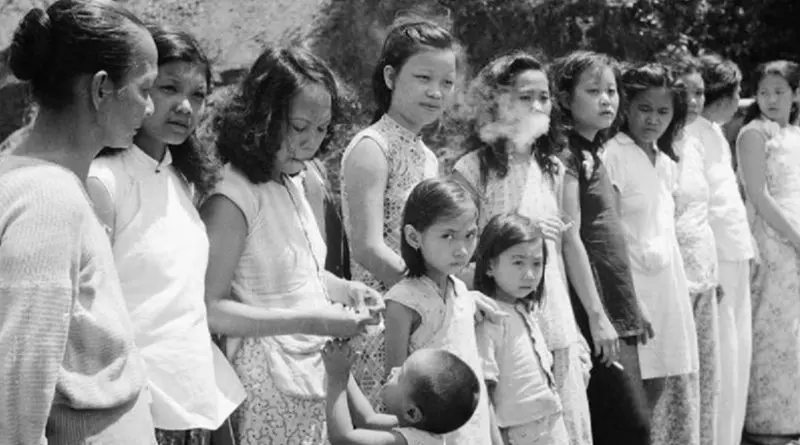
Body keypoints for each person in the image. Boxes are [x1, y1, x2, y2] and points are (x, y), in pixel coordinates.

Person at [201, 46, 383, 445]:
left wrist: (347, 291)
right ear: (263, 117)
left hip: (312, 374)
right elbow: (212, 310)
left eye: (321, 129)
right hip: (265, 383)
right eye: (299, 127)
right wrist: (313, 321)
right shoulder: (233, 196)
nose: (311, 142)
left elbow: (301, 275)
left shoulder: (297, 180)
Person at [0, 0, 159, 443]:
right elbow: (18, 384)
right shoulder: (49, 201)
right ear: (102, 89)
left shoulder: (27, 176)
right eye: (145, 89)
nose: (149, 109)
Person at [86, 25, 245, 444]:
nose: (185, 107)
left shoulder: (184, 182)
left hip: (197, 400)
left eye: (197, 94)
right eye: (168, 88)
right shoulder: (103, 182)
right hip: (136, 408)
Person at [452, 51, 593, 445]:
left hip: (555, 316)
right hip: (500, 328)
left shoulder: (553, 167)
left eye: (544, 97)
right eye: (525, 96)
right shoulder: (471, 169)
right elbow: (455, 255)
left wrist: (590, 321)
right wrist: (515, 230)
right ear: (499, 101)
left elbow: (569, 248)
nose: (537, 106)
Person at [341, 18, 459, 405]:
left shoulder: (426, 156)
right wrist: (425, 299)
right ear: (391, 76)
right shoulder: (371, 147)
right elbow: (367, 247)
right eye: (424, 77)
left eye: (447, 82)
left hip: (423, 322)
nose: (436, 92)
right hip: (380, 324)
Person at [550, 50, 652, 445]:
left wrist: (632, 301)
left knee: (622, 426)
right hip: (593, 310)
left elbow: (609, 234)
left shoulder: (595, 150)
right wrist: (596, 315)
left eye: (611, 90)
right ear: (565, 99)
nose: (607, 99)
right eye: (593, 91)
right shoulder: (569, 153)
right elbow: (569, 234)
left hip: (614, 303)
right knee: (630, 428)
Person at [602, 62, 700, 445]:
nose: (653, 119)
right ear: (627, 107)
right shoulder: (614, 153)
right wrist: (628, 301)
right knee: (630, 404)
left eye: (663, 111)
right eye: (644, 108)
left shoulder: (663, 159)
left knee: (657, 385)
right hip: (632, 287)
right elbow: (607, 233)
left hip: (665, 287)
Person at [383, 177, 497, 444]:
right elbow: (395, 391)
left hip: (474, 429)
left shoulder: (460, 291)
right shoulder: (403, 301)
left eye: (470, 235)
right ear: (414, 237)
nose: (462, 249)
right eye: (448, 235)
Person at [686, 53, 754, 445]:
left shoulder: (712, 132)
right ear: (723, 95)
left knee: (738, 354)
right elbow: (700, 208)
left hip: (735, 253)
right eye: (738, 91)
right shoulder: (690, 134)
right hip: (716, 260)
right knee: (723, 360)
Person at [736, 60, 800, 445]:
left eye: (780, 90)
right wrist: (795, 237)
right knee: (771, 328)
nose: (771, 98)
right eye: (764, 91)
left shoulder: (795, 133)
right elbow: (758, 194)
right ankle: (767, 423)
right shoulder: (753, 134)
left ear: (796, 94)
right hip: (773, 240)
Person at [473, 212, 569, 445]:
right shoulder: (490, 318)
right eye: (518, 262)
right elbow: (484, 391)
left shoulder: (526, 310)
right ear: (489, 266)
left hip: (550, 422)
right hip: (519, 433)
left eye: (537, 264)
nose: (530, 274)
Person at [672, 56, 722, 445]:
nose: (693, 100)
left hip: (705, 270)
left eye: (700, 92)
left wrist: (714, 270)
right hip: (674, 279)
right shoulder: (657, 144)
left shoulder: (697, 142)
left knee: (707, 375)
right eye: (684, 92)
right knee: (679, 382)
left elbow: (703, 211)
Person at [323, 341, 480, 445]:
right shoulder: (417, 427)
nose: (394, 370)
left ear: (412, 412)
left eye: (400, 375)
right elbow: (368, 419)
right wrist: (344, 371)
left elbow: (343, 438)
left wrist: (336, 378)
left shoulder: (407, 440)